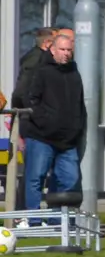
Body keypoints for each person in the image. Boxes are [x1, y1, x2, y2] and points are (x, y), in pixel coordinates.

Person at [15, 29, 85, 213]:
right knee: (35, 178)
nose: (66, 53)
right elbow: (29, 99)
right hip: (41, 136)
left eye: (69, 50)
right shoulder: (40, 71)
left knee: (69, 178)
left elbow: (79, 104)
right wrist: (44, 121)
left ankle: (57, 218)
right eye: (62, 49)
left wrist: (78, 126)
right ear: (52, 50)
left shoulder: (74, 74)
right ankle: (33, 219)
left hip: (68, 139)